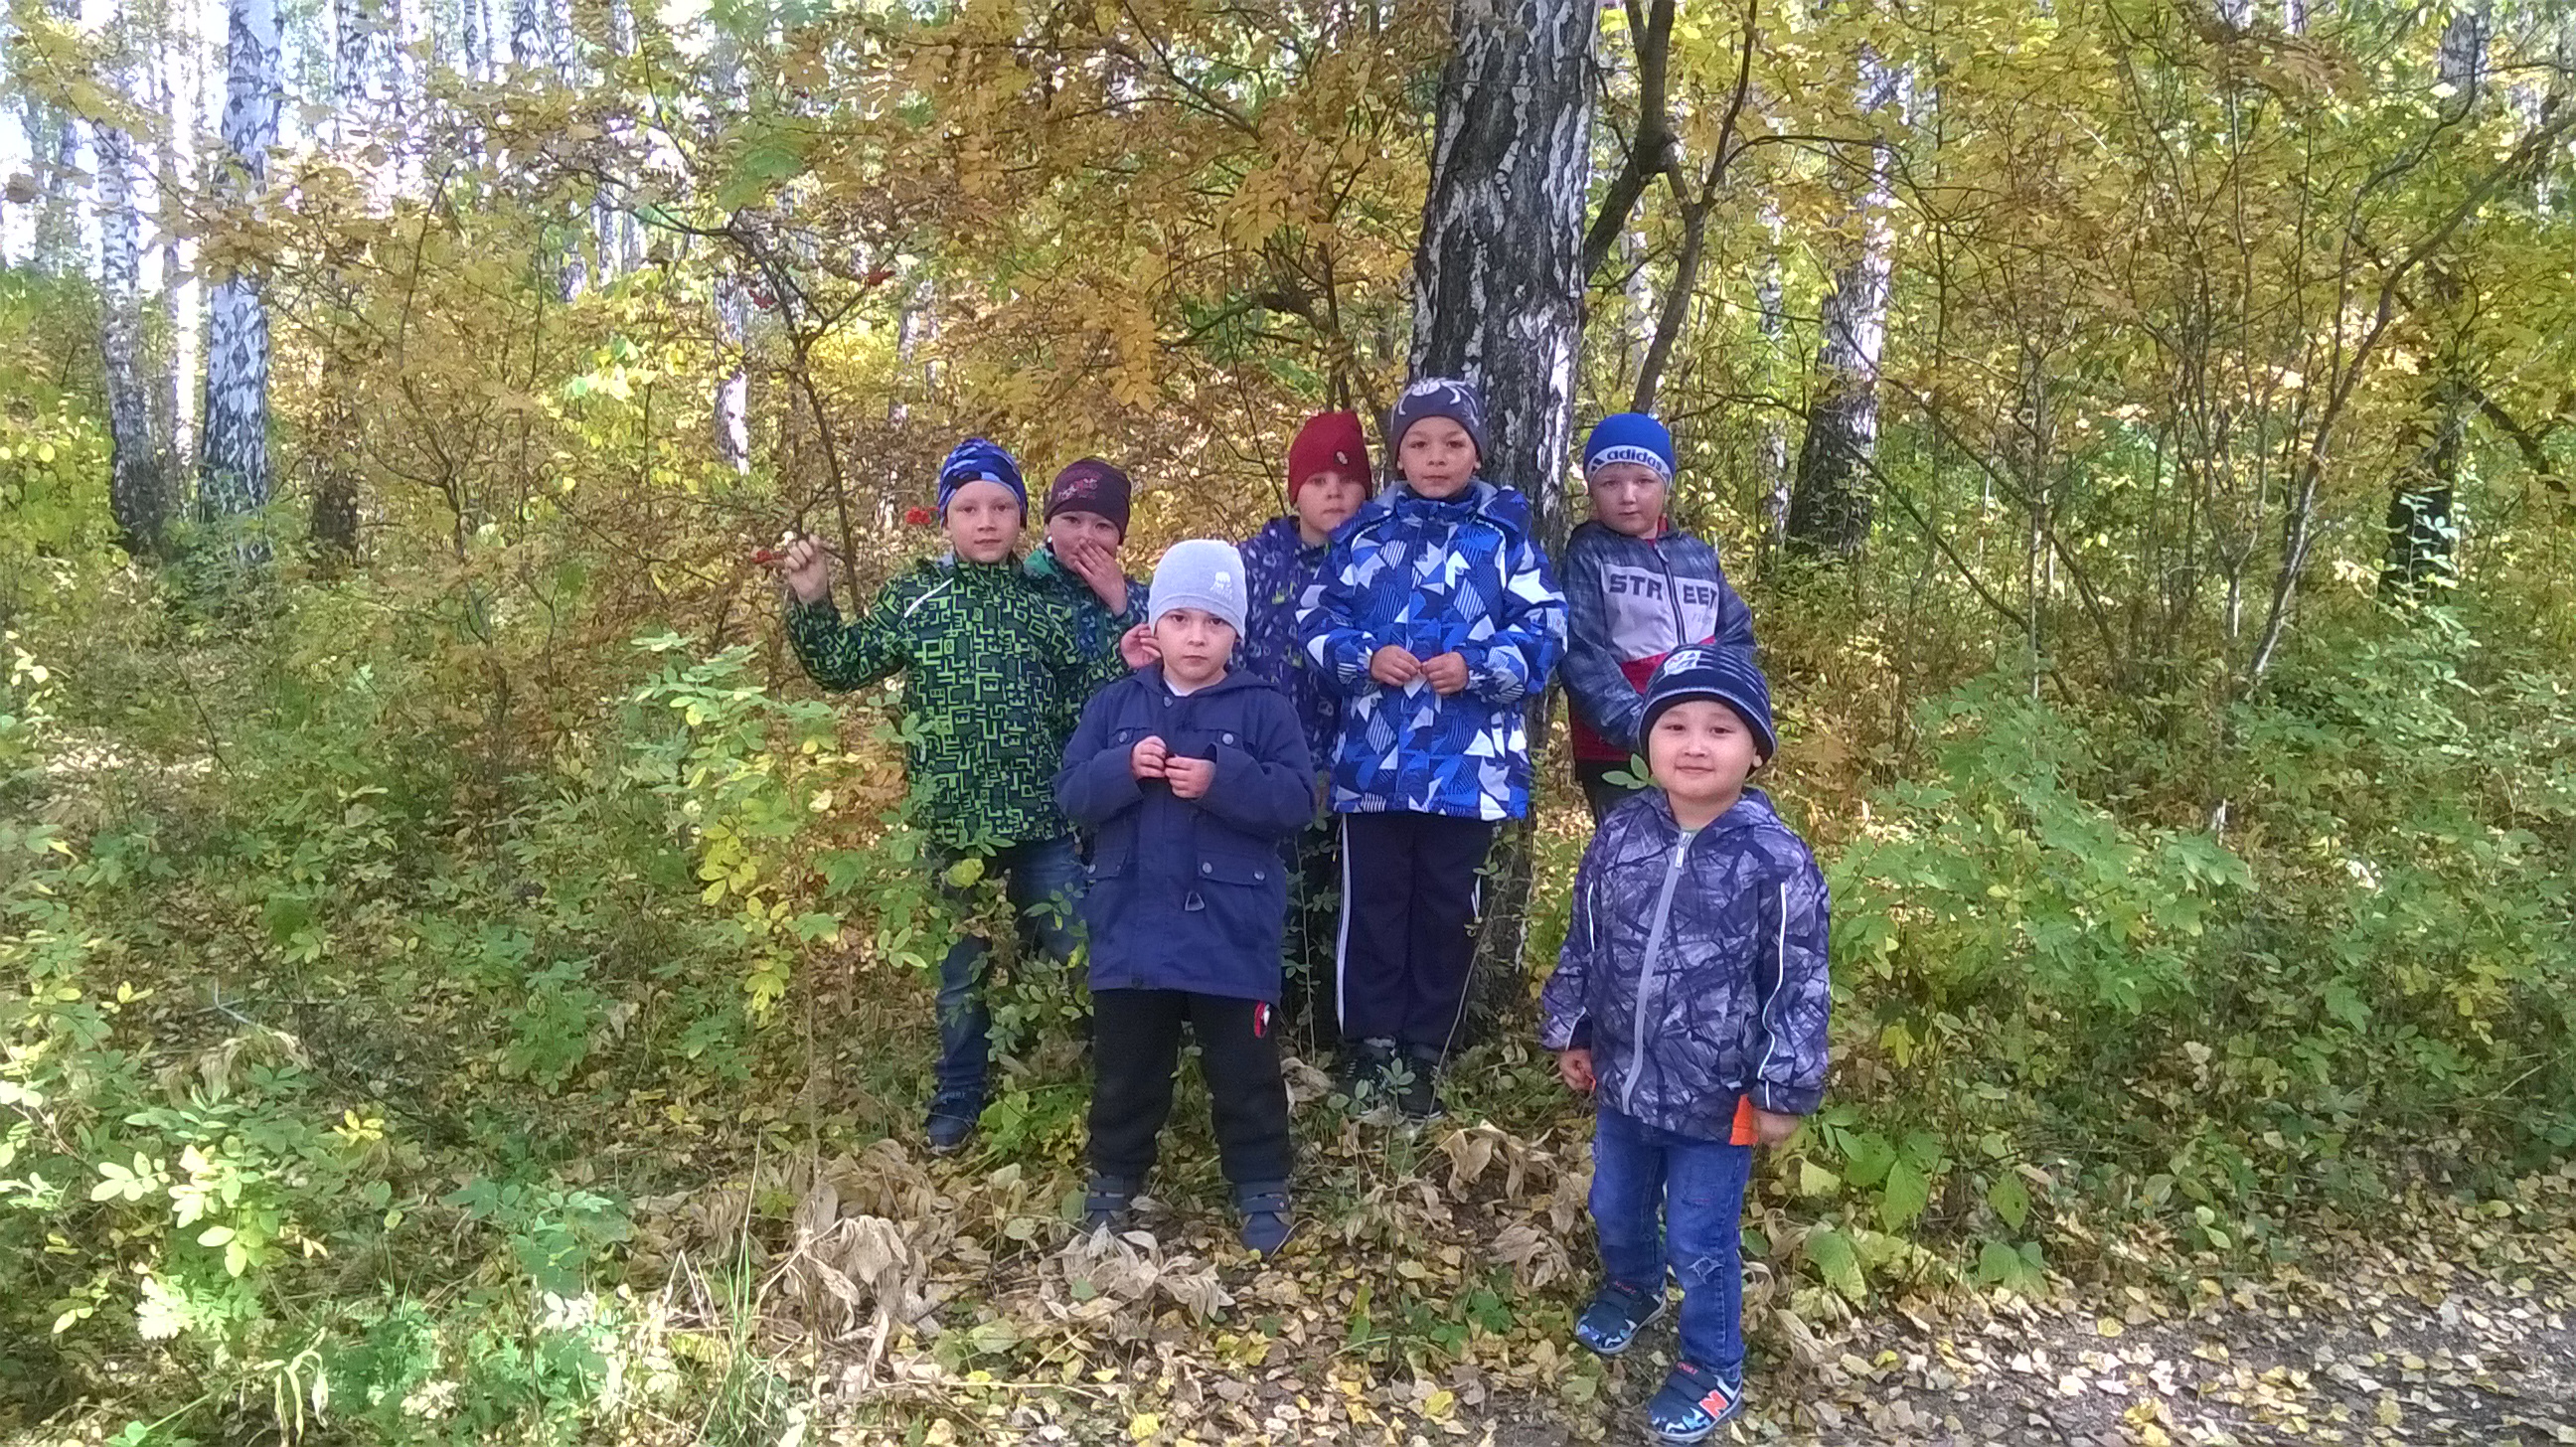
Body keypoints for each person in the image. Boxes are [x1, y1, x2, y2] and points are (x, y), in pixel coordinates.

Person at [1538, 645, 1830, 1443]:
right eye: (1675, 726)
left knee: (1701, 1239)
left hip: (1718, 1099)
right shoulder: (1622, 833)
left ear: (1755, 749)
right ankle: (1632, 1287)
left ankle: (1712, 1364)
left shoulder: (1774, 859)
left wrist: (1781, 1087)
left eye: (1720, 729)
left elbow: (1799, 980)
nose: (1695, 745)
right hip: (1625, 1081)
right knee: (1615, 1204)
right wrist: (1574, 1029)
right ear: (1648, 742)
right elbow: (1586, 940)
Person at [778, 437, 1090, 1156]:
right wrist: (814, 599)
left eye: (1002, 507)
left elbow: (1085, 698)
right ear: (944, 518)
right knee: (960, 975)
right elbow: (842, 665)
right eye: (969, 508)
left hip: (1042, 819)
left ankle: (1103, 1086)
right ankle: (959, 1096)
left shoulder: (1046, 601)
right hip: (954, 827)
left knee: (1081, 949)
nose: (986, 521)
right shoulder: (917, 597)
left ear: (1021, 518)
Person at [1299, 377, 1567, 1120]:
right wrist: (1364, 655)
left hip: (1468, 769)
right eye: (1419, 443)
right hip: (1375, 767)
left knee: (1449, 909)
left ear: (1476, 453)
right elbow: (1316, 619)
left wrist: (1478, 667)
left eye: (1453, 443)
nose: (1436, 457)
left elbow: (1547, 627)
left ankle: (1425, 1052)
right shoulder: (1365, 535)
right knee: (1374, 905)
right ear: (1398, 456)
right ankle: (1370, 1047)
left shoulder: (1504, 538)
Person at [1055, 541, 1319, 1253]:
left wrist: (1221, 779)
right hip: (1132, 930)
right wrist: (1121, 768)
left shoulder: (1262, 708)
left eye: (1214, 622)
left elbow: (1298, 799)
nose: (1196, 637)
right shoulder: (1116, 704)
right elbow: (1072, 793)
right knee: (1125, 1070)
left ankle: (1261, 1187)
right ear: (1155, 627)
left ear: (1236, 633)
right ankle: (1113, 1180)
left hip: (1230, 932)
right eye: (1180, 619)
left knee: (1244, 1071)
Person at [1236, 411, 1372, 1051]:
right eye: (1317, 481)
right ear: (1295, 491)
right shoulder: (1253, 564)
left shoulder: (1380, 563)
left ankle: (1335, 1034)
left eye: (1347, 481)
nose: (1333, 494)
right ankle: (1271, 1033)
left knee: (1344, 908)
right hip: (1272, 769)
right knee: (1280, 903)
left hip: (1362, 770)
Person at [1559, 412, 1756, 824]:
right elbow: (1581, 653)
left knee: (1708, 850)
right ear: (1591, 488)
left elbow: (1736, 635)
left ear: (1665, 484)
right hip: (1618, 753)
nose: (1628, 496)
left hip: (1700, 745)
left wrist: (1729, 710)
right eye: (1610, 483)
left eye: (1644, 481)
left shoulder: (1698, 557)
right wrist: (1642, 727)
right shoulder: (1589, 554)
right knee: (1634, 852)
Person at [1024, 457, 1151, 691]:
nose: (1086, 536)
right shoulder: (1022, 590)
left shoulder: (1149, 601)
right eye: (1072, 520)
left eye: (1103, 526)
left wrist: (1121, 602)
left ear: (1119, 539)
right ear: (1048, 526)